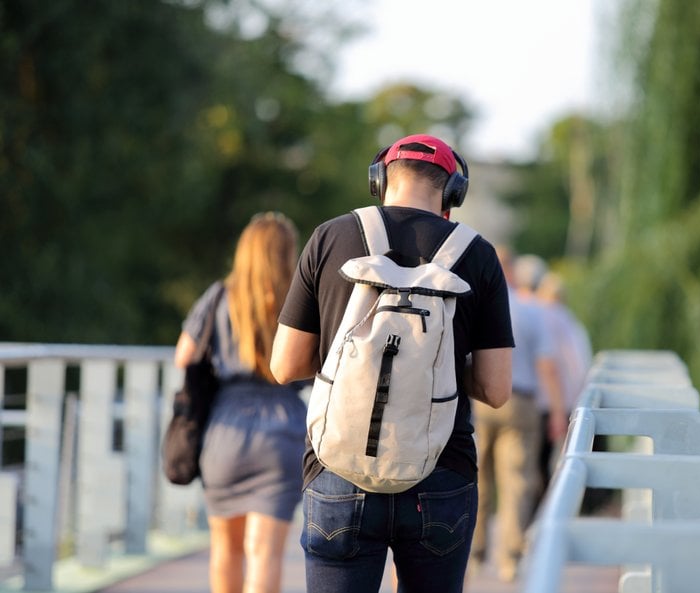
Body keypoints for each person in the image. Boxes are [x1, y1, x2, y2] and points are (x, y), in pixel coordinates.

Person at [269, 133, 513, 593]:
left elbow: (284, 365)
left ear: (379, 180)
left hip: (339, 466)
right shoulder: (478, 254)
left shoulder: (331, 236)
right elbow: (496, 389)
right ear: (453, 192)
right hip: (441, 471)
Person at [173, 212, 307, 593]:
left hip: (225, 431)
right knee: (266, 554)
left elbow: (184, 356)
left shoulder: (219, 296)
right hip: (283, 432)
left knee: (226, 550)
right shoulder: (300, 300)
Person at [469, 248, 567, 582]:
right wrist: (557, 411)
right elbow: (547, 367)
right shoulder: (532, 310)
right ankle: (509, 557)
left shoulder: (476, 303)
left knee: (477, 477)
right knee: (517, 481)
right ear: (512, 272)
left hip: (479, 399)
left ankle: (475, 552)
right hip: (521, 401)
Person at [534, 270, 592, 494]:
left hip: (538, 399)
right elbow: (580, 365)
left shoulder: (537, 316)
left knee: (537, 460)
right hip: (564, 400)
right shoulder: (570, 322)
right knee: (556, 459)